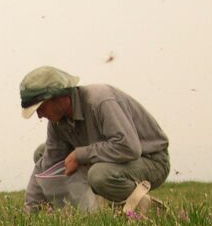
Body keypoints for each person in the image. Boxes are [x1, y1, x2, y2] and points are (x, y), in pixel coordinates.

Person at [20, 66, 170, 213]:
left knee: (98, 175)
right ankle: (95, 207)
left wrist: (80, 155)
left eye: (41, 108)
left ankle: (147, 208)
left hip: (151, 160)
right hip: (114, 161)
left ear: (60, 97)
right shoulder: (57, 123)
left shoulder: (100, 100)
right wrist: (30, 208)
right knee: (41, 152)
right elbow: (47, 165)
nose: (39, 115)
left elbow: (129, 147)